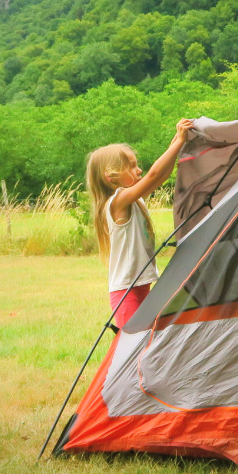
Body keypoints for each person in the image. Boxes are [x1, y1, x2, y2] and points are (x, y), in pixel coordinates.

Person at [85, 119, 193, 328]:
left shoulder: (134, 199)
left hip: (140, 287)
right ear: (111, 177)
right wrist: (178, 142)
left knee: (147, 344)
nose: (139, 170)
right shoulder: (117, 202)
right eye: (132, 166)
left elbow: (159, 176)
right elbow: (153, 176)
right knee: (134, 349)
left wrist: (177, 144)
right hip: (126, 293)